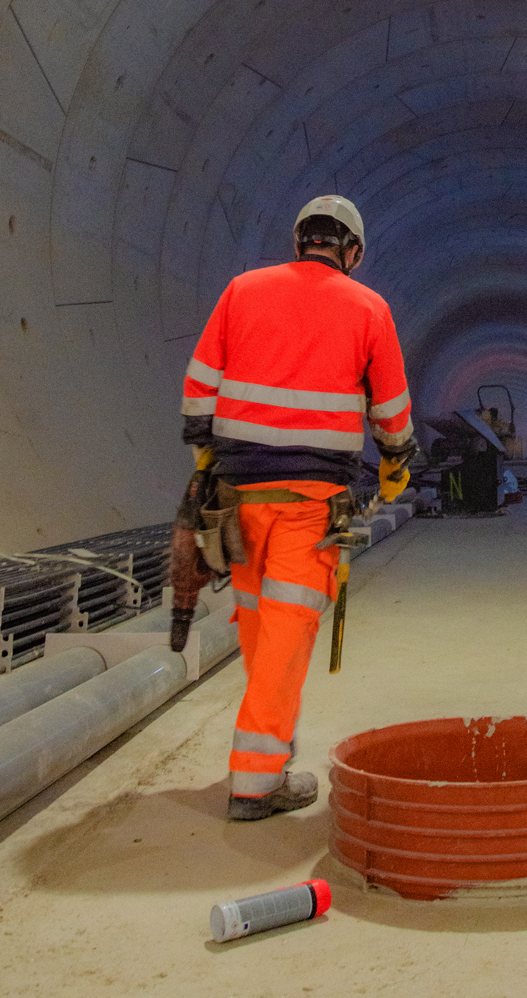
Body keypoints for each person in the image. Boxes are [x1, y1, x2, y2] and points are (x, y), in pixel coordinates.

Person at [180, 195, 416, 821]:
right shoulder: (369, 307)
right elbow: (390, 409)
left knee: (260, 623)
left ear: (299, 241)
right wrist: (395, 462)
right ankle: (255, 782)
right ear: (353, 252)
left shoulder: (241, 290)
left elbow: (199, 385)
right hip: (311, 504)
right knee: (286, 635)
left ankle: (269, 755)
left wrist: (206, 457)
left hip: (238, 496)